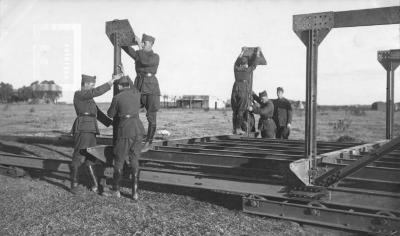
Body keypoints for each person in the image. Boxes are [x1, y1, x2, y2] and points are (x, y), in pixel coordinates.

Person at [70, 73, 120, 194]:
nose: (93, 87)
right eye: (92, 85)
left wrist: (112, 123)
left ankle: (95, 185)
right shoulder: (79, 94)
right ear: (85, 84)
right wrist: (111, 81)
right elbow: (96, 92)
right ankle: (74, 185)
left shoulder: (89, 98)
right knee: (79, 156)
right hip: (83, 128)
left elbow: (98, 114)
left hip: (91, 129)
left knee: (91, 157)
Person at [117, 33, 160, 152]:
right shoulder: (139, 54)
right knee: (131, 111)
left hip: (151, 90)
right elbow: (128, 50)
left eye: (144, 43)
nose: (142, 44)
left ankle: (148, 142)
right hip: (138, 87)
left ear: (151, 44)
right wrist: (120, 39)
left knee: (151, 117)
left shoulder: (155, 56)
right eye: (142, 42)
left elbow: (146, 62)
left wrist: (138, 45)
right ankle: (134, 137)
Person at [106, 75, 145, 200]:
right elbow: (134, 87)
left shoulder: (117, 97)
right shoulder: (136, 93)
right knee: (134, 158)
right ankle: (135, 193)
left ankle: (116, 190)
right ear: (129, 85)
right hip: (138, 129)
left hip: (125, 130)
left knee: (119, 158)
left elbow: (110, 114)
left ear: (119, 86)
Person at [231, 47, 262, 135]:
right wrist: (257, 53)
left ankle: (234, 128)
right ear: (245, 64)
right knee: (241, 109)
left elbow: (236, 62)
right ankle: (237, 128)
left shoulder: (236, 69)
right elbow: (254, 65)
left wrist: (242, 52)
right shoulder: (247, 70)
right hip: (243, 89)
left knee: (235, 110)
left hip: (235, 88)